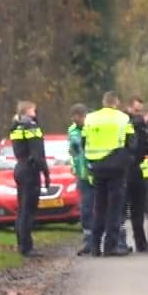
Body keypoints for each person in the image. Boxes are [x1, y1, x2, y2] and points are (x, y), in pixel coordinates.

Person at [81, 92, 134, 257]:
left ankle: (95, 246)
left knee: (99, 206)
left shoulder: (90, 118)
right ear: (116, 102)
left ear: (103, 102)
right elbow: (131, 142)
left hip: (96, 166)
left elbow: (83, 142)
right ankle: (110, 246)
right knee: (115, 207)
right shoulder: (123, 118)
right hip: (116, 167)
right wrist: (127, 159)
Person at [6, 101, 48, 257]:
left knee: (22, 208)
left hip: (20, 167)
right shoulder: (31, 126)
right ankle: (26, 247)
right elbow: (38, 153)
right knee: (28, 210)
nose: (35, 113)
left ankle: (21, 243)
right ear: (26, 111)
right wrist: (46, 172)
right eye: (33, 110)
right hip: (30, 170)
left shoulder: (16, 126)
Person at [125, 97, 148, 253]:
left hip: (137, 170)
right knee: (121, 210)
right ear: (129, 108)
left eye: (140, 111)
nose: (138, 114)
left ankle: (141, 244)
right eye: (136, 111)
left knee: (138, 210)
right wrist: (145, 119)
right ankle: (119, 242)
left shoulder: (142, 126)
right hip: (124, 169)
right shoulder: (125, 120)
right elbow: (133, 123)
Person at [68, 104, 94, 255]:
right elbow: (73, 150)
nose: (74, 120)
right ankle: (88, 242)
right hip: (83, 175)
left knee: (97, 208)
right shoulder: (72, 130)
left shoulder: (92, 127)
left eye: (76, 117)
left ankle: (99, 241)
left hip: (95, 174)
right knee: (85, 209)